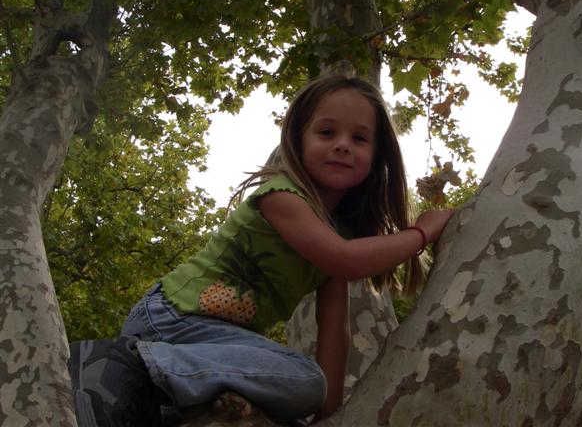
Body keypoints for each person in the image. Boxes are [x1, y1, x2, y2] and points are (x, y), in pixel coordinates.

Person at [69, 73, 453, 426]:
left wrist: (328, 416)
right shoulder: (281, 196)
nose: (342, 145)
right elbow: (346, 261)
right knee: (304, 378)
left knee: (291, 402)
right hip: (172, 320)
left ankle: (146, 400)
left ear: (376, 156)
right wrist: (421, 233)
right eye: (326, 132)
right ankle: (122, 366)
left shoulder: (340, 233)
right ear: (298, 140)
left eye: (359, 139)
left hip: (212, 350)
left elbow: (335, 329)